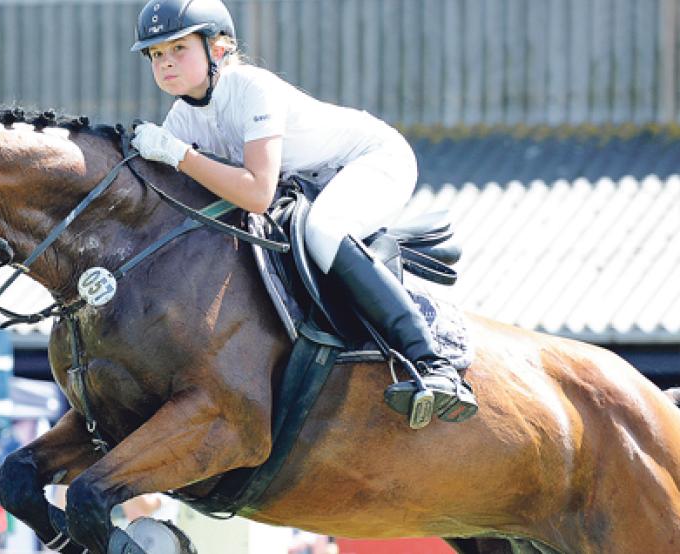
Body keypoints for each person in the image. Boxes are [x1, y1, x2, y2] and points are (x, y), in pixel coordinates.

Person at [129, 0, 477, 423]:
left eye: (178, 48)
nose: (165, 63)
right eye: (156, 54)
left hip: (371, 159)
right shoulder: (181, 120)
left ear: (218, 48)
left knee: (325, 231)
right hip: (311, 183)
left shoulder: (252, 88)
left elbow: (258, 193)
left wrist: (179, 157)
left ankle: (433, 363)